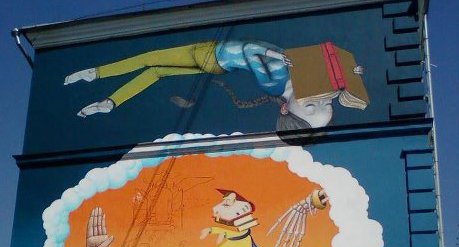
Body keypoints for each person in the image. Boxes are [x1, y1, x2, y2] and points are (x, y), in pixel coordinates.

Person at [64, 40, 369, 130]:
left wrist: (274, 54)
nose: (322, 98)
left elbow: (249, 50)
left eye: (312, 106)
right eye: (325, 104)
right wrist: (351, 72)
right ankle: (111, 102)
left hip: (214, 54)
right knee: (156, 72)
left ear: (286, 108)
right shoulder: (302, 75)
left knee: (150, 58)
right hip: (217, 62)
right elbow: (327, 60)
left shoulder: (277, 81)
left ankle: (96, 73)